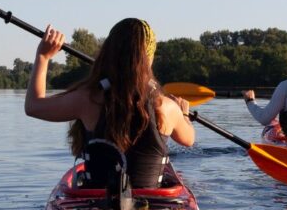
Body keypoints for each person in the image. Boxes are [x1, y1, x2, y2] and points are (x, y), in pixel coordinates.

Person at [25, 18, 194, 189]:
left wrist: (43, 56)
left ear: (109, 52)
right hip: (152, 206)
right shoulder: (166, 107)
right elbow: (189, 140)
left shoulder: (87, 99)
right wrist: (183, 114)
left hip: (96, 204)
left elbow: (33, 106)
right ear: (149, 58)